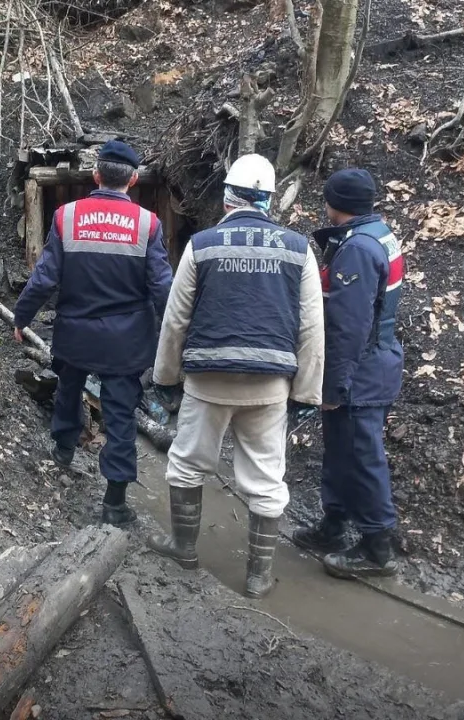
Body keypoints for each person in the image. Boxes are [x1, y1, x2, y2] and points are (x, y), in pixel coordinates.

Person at [145, 154, 324, 598]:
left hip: (208, 382)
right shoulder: (298, 249)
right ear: (269, 200)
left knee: (186, 464)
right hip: (269, 386)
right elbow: (311, 328)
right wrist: (306, 393)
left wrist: (165, 376)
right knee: (266, 480)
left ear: (228, 198)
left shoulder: (202, 245)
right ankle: (259, 577)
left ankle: (184, 551)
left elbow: (176, 318)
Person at [12, 140, 173, 528]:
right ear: (133, 180)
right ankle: (114, 502)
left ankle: (63, 448)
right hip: (126, 343)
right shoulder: (148, 224)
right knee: (120, 416)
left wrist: (22, 318)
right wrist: (174, 337)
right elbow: (163, 288)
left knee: (68, 388)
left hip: (75, 334)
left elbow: (44, 277)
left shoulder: (67, 217)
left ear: (96, 175)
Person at [292, 168, 404, 579]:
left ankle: (378, 548)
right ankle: (333, 525)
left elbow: (349, 325)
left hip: (361, 373)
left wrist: (335, 385)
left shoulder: (357, 249)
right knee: (341, 451)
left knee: (361, 456)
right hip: (374, 361)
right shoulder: (378, 232)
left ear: (332, 203)